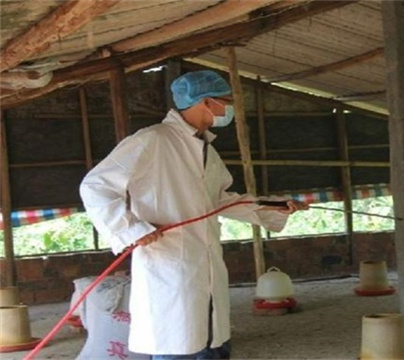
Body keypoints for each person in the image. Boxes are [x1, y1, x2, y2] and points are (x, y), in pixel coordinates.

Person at [79, 70, 307, 359]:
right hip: (170, 268)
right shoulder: (153, 140)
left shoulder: (206, 149)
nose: (229, 108)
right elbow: (96, 185)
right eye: (226, 101)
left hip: (206, 267)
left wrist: (276, 206)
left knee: (211, 340)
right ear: (207, 102)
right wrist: (131, 229)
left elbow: (221, 201)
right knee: (179, 343)